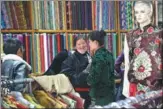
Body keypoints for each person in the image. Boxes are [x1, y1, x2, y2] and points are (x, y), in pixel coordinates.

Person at [123, 1, 163, 98]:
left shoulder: (159, 33)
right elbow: (128, 62)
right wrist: (126, 87)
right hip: (135, 85)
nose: (139, 15)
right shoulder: (130, 35)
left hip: (156, 87)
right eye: (136, 12)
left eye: (142, 12)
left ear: (150, 12)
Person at [60, 36, 92, 109]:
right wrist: (81, 75)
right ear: (75, 46)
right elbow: (66, 73)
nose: (82, 46)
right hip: (78, 92)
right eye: (79, 44)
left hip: (90, 92)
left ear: (86, 44)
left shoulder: (89, 56)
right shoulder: (71, 58)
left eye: (83, 43)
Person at [87, 30, 115, 106]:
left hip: (100, 95)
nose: (89, 44)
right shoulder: (109, 54)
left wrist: (87, 80)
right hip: (110, 93)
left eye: (90, 42)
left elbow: (94, 78)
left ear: (95, 42)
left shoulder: (98, 57)